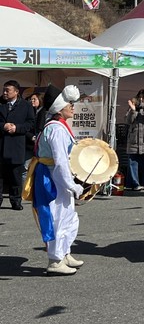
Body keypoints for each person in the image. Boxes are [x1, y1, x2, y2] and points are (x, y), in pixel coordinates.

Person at [23, 85, 84, 275]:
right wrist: (72, 185)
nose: (72, 106)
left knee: (67, 216)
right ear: (59, 108)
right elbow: (60, 162)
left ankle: (64, 252)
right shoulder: (56, 129)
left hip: (55, 177)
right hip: (52, 179)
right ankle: (55, 261)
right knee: (57, 217)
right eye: (69, 104)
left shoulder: (57, 126)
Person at [1, 80, 36, 210]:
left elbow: (30, 123)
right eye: (4, 90)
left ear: (16, 92)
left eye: (7, 90)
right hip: (1, 144)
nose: (5, 93)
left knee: (15, 175)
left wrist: (17, 128)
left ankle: (15, 200)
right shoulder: (0, 103)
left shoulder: (26, 105)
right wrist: (3, 126)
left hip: (16, 145)